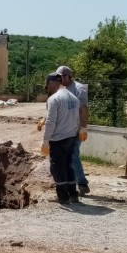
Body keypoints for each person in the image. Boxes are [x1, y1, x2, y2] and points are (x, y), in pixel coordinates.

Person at [41, 72, 80, 204]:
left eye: (48, 86)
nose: (48, 89)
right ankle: (73, 194)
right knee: (69, 165)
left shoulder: (54, 99)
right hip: (71, 137)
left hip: (58, 140)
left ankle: (63, 196)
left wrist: (45, 141)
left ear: (52, 83)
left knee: (58, 167)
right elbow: (76, 119)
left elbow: (51, 122)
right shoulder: (74, 98)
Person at [56, 65, 90, 195]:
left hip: (75, 128)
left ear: (68, 76)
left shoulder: (78, 88)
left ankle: (82, 184)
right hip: (63, 129)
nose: (59, 79)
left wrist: (83, 127)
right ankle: (71, 183)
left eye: (61, 76)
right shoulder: (60, 89)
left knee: (73, 155)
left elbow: (84, 109)